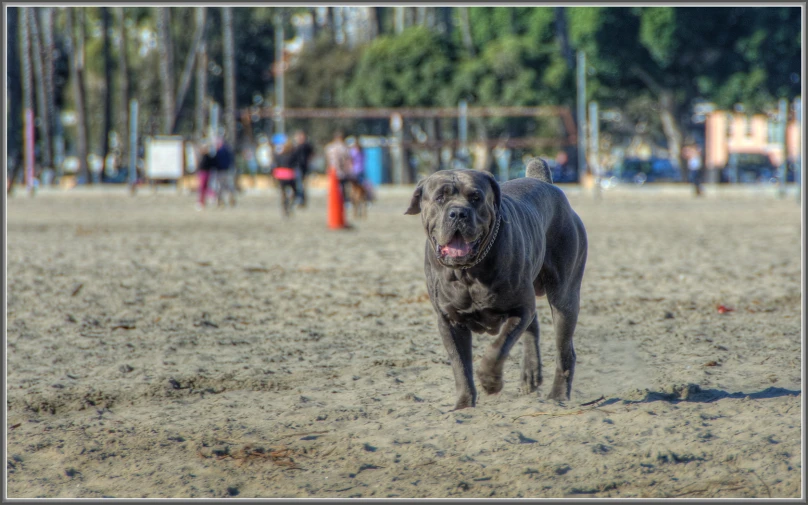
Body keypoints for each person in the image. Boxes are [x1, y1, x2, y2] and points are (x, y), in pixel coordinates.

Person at [324, 130, 353, 207]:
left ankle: (334, 201)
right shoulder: (344, 148)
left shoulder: (329, 147)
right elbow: (347, 160)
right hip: (341, 171)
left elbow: (327, 159)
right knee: (343, 186)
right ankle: (344, 201)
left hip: (332, 170)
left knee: (334, 187)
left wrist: (327, 168)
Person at [272, 139, 298, 217]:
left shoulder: (279, 155)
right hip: (289, 175)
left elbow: (276, 164)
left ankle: (284, 208)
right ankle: (290, 204)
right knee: (294, 191)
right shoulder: (293, 155)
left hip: (280, 175)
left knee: (283, 193)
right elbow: (295, 164)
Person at [289, 129, 314, 207]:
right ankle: (299, 198)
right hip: (296, 166)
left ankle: (300, 199)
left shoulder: (306, 145)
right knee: (298, 183)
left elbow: (311, 154)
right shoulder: (295, 146)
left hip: (304, 166)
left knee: (301, 184)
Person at [212, 134, 237, 207]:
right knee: (227, 186)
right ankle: (228, 200)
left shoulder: (221, 151)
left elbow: (219, 162)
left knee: (221, 187)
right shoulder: (227, 150)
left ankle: (221, 201)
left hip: (222, 171)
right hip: (226, 170)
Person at [195, 140, 217, 210]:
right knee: (204, 188)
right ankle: (204, 201)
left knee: (203, 188)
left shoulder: (207, 157)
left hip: (205, 173)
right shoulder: (204, 156)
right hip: (204, 173)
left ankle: (202, 202)